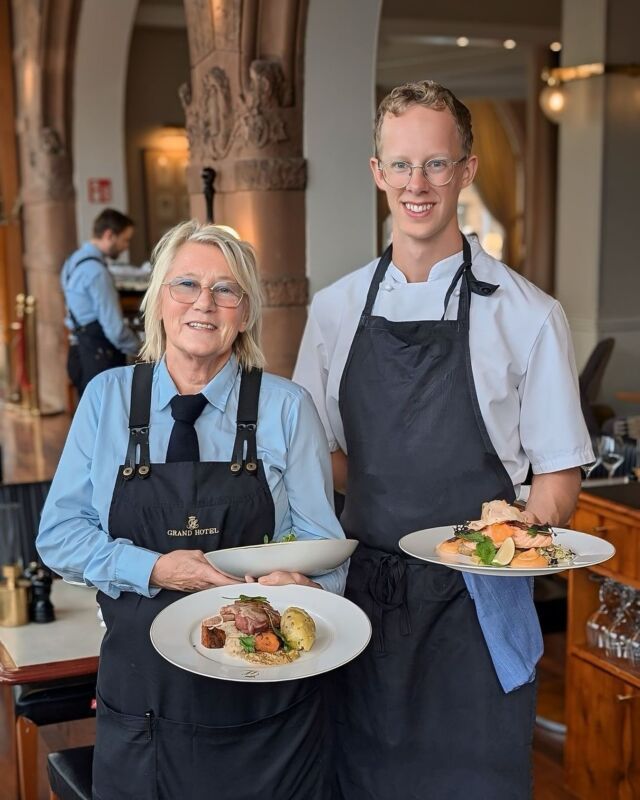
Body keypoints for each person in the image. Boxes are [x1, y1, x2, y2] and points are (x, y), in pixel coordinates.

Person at [293, 80, 594, 799]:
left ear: (467, 170)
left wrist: (510, 534)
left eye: (435, 163)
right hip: (364, 600)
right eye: (399, 165)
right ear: (376, 173)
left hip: (480, 607)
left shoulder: (530, 315)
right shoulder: (334, 310)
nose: (416, 184)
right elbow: (317, 457)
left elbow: (559, 482)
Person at [39, 220, 347, 800]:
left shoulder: (287, 408)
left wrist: (303, 582)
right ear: (157, 300)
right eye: (186, 284)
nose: (204, 303)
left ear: (246, 311)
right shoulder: (106, 399)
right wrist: (155, 569)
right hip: (145, 709)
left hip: (269, 716)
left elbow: (326, 551)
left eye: (226, 289)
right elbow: (58, 536)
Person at [61, 208, 140, 395]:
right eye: (125, 240)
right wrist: (142, 348)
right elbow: (115, 331)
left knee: (88, 420)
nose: (126, 247)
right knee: (108, 421)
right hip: (100, 358)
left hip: (78, 352)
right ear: (109, 235)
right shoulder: (97, 273)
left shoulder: (72, 261)